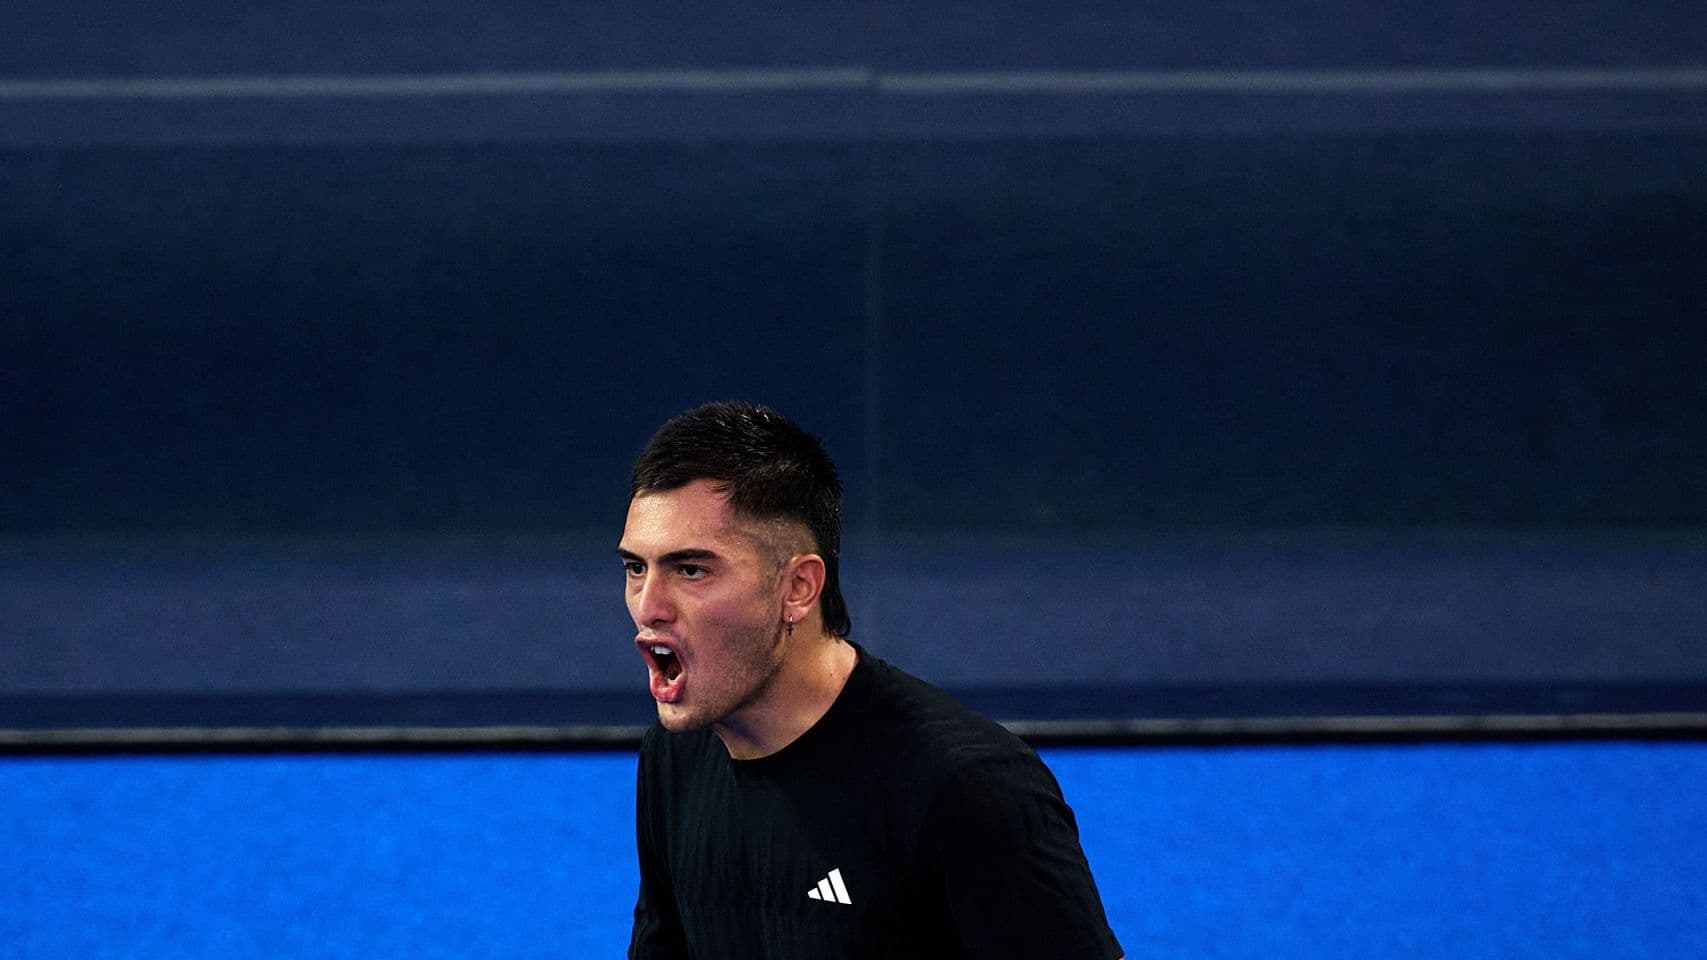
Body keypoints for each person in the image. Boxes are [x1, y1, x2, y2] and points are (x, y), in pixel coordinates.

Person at [621, 400, 1124, 960]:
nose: (649, 606)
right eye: (636, 568)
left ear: (798, 589)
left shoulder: (966, 788)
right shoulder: (676, 756)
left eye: (691, 570)